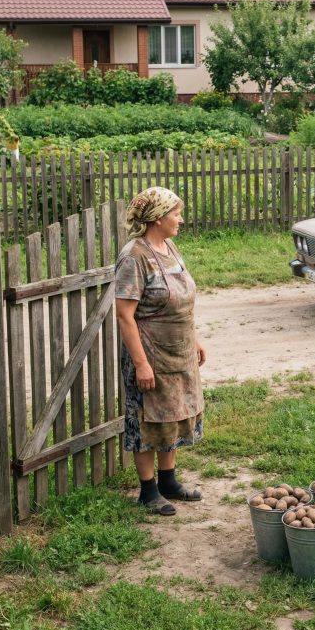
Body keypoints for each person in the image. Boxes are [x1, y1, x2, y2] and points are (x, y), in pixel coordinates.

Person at [115, 187, 206, 515]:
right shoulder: (134, 256)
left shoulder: (168, 246)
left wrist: (193, 338)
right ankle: (148, 490)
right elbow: (124, 315)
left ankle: (168, 482)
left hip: (178, 351)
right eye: (176, 214)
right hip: (150, 354)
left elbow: (181, 300)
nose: (180, 220)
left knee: (173, 414)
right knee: (147, 420)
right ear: (157, 218)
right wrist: (141, 364)